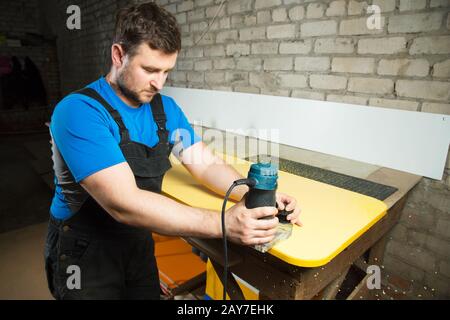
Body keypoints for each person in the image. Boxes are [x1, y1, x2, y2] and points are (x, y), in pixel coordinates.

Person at [44, 2, 302, 300]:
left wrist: (253, 198)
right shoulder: (79, 111)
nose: (159, 82)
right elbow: (123, 204)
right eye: (150, 69)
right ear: (118, 55)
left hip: (138, 239)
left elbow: (204, 165)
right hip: (86, 251)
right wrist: (223, 223)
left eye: (167, 71)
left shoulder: (165, 111)